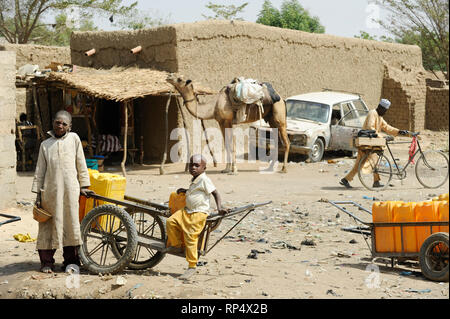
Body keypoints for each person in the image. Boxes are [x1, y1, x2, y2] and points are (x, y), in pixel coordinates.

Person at [32, 110, 95, 273]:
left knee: (71, 225)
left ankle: (71, 262)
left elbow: (81, 164)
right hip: (50, 193)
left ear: (69, 127)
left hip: (70, 192)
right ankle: (46, 262)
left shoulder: (74, 139)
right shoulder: (45, 145)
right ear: (53, 122)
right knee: (48, 228)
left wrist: (84, 186)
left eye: (64, 124)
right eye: (57, 122)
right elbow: (40, 171)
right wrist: (38, 194)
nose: (60, 126)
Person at [166, 154, 227, 280]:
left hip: (198, 213)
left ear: (204, 168)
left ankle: (192, 266)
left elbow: (216, 194)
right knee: (170, 221)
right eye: (191, 165)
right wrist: (185, 191)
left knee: (191, 237)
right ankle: (176, 245)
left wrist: (220, 208)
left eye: (197, 165)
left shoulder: (204, 179)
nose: (193, 167)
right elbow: (195, 192)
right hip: (186, 211)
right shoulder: (195, 179)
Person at [339, 99, 408, 189]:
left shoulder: (379, 117)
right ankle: (374, 181)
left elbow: (387, 127)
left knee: (365, 163)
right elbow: (370, 127)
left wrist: (399, 131)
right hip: (367, 142)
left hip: (372, 143)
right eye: (385, 110)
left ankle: (350, 180)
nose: (385, 112)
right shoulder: (372, 113)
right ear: (380, 108)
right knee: (367, 162)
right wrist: (382, 137)